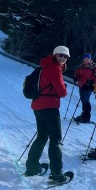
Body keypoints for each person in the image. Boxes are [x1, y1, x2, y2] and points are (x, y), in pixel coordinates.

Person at [25, 45, 70, 182]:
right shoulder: (54, 68)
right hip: (50, 107)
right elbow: (62, 92)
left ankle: (32, 167)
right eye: (60, 55)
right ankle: (56, 173)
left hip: (37, 106)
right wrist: (63, 87)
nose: (62, 58)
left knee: (42, 136)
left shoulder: (45, 65)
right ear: (55, 55)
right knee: (55, 139)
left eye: (65, 56)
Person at [73, 53, 96, 123]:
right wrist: (75, 77)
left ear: (90, 59)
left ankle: (86, 117)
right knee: (83, 100)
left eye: (88, 58)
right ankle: (84, 115)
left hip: (88, 86)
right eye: (85, 58)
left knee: (86, 100)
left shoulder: (93, 65)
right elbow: (77, 73)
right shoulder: (81, 65)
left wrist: (93, 82)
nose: (86, 59)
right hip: (81, 85)